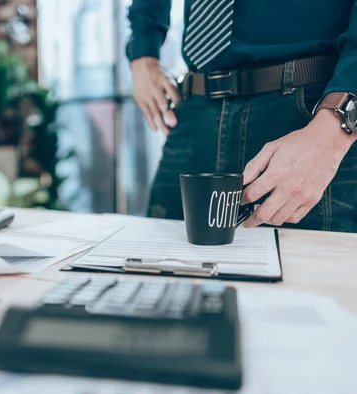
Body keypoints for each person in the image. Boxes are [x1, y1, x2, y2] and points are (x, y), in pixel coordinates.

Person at [127, 0, 357, 232]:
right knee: (162, 259)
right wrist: (143, 53)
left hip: (312, 116)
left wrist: (334, 129)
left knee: (312, 266)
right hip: (195, 110)